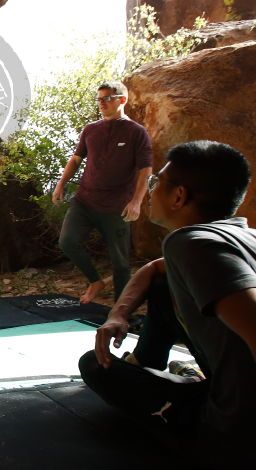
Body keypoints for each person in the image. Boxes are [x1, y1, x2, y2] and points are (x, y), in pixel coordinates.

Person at [79, 140, 256, 464]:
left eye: (155, 181)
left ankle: (187, 392)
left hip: (234, 428)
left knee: (94, 366)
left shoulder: (191, 243)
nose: (149, 189)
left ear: (179, 196)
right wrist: (118, 315)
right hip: (234, 394)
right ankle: (156, 366)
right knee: (161, 285)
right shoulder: (243, 236)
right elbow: (154, 269)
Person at [52, 81, 152, 303]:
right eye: (99, 99)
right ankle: (95, 281)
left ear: (122, 100)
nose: (102, 103)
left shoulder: (137, 132)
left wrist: (136, 201)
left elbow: (146, 170)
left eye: (107, 98)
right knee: (67, 242)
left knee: (120, 263)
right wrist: (61, 184)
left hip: (116, 206)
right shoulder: (91, 129)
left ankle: (120, 310)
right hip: (84, 201)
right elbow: (76, 159)